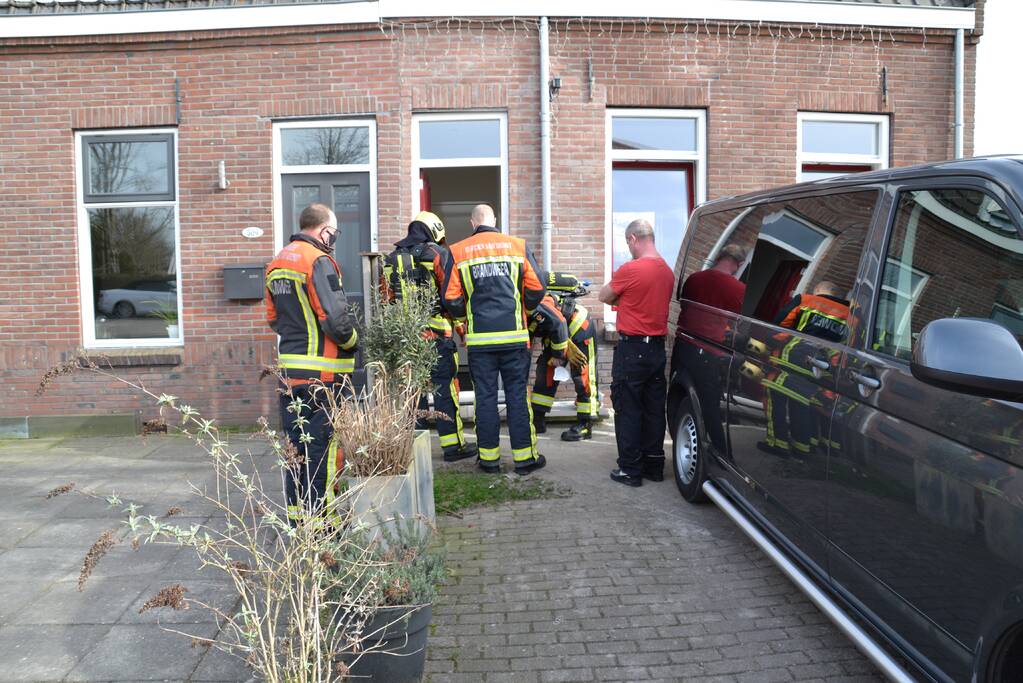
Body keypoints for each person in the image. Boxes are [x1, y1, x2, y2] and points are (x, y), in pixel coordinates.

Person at [265, 203, 359, 524]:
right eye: (333, 232)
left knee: (295, 449)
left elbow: (273, 318)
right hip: (323, 378)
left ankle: (298, 521)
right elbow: (335, 319)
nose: (333, 238)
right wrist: (353, 342)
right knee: (323, 451)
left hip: (289, 376)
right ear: (324, 230)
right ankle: (325, 524)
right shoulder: (318, 260)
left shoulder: (277, 263)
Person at [441, 204, 548, 475]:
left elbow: (450, 298)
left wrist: (466, 315)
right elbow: (538, 287)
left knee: (485, 398)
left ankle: (489, 461)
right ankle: (525, 459)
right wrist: (523, 307)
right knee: (517, 397)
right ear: (495, 220)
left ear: (472, 223)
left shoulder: (458, 251)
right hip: (515, 339)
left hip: (480, 343)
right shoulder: (517, 246)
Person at [382, 211, 478, 462]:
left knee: (414, 394)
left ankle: (416, 451)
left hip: (405, 340)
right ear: (434, 231)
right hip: (437, 337)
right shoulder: (437, 254)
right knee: (445, 390)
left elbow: (386, 299)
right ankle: (453, 447)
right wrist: (462, 328)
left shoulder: (391, 259)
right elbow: (451, 295)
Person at [598, 219, 675, 487]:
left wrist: (626, 299)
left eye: (627, 243)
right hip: (657, 350)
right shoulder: (667, 271)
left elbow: (604, 296)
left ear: (633, 239)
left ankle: (630, 469)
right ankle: (654, 466)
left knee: (628, 408)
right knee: (654, 409)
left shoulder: (631, 269)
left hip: (632, 350)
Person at [760, 280, 851, 459]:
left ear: (818, 290)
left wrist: (770, 342)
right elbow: (844, 350)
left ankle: (777, 443)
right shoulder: (850, 317)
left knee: (775, 402)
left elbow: (779, 327)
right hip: (816, 371)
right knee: (801, 406)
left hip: (787, 363)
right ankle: (801, 448)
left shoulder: (805, 300)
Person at [531, 272, 600, 441]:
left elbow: (559, 323)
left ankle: (585, 424)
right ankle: (537, 420)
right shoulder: (517, 309)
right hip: (555, 335)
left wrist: (558, 354)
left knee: (582, 377)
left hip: (578, 328)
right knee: (544, 373)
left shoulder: (537, 301)